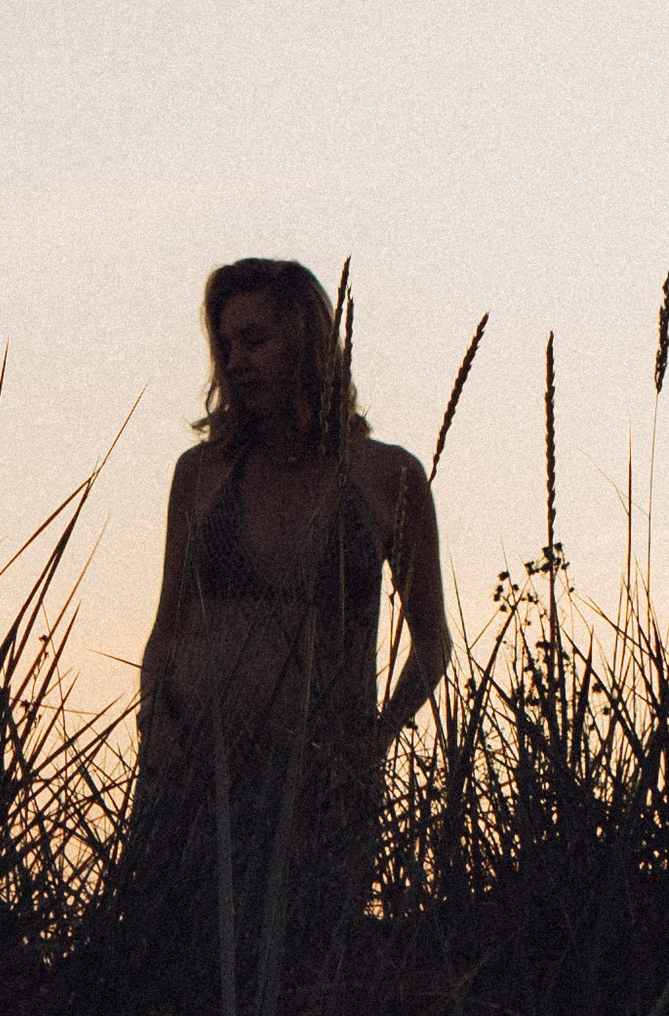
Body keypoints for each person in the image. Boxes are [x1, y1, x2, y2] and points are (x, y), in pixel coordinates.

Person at [132, 260, 453, 894]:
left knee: (306, 975)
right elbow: (169, 629)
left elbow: (433, 641)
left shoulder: (388, 477)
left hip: (320, 787)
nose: (236, 362)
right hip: (192, 778)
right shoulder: (200, 474)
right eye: (225, 345)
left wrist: (374, 742)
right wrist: (155, 725)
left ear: (306, 344)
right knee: (167, 978)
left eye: (255, 340)